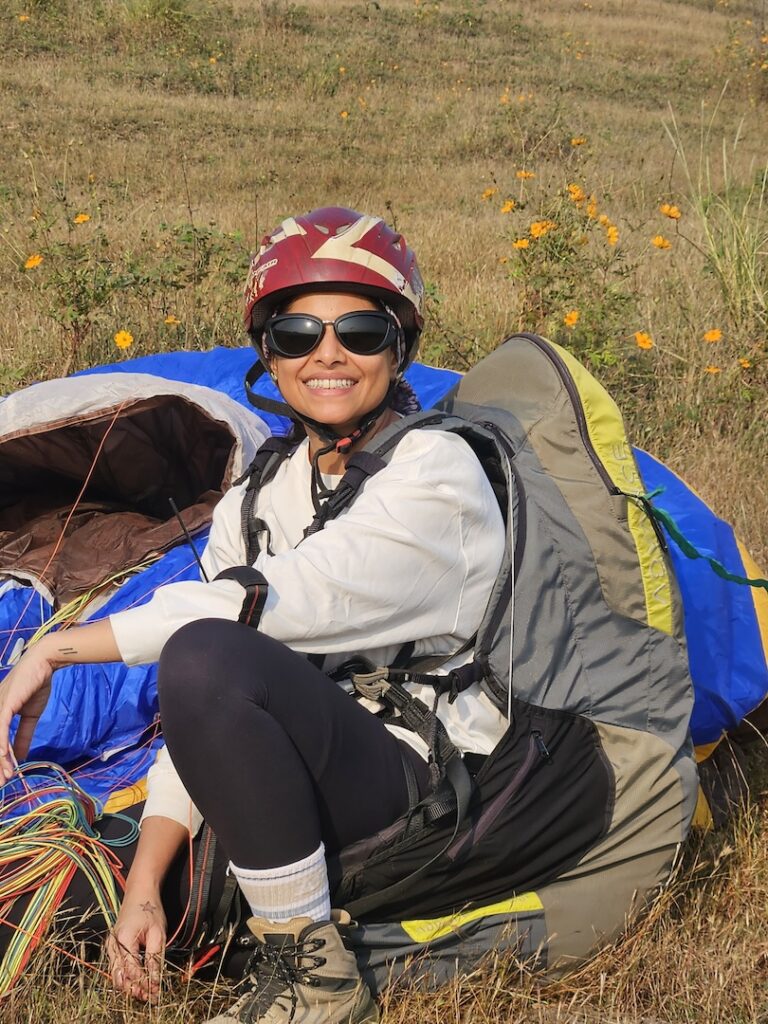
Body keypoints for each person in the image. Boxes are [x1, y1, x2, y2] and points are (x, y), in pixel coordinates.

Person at [0, 207, 507, 1023]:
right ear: (268, 352)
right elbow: (203, 714)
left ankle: (314, 977)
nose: (328, 354)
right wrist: (142, 888)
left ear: (401, 344)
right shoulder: (260, 495)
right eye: (299, 331)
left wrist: (59, 650)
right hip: (297, 766)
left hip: (418, 783)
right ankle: (254, 925)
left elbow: (273, 609)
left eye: (362, 331)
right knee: (70, 896)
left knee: (203, 647)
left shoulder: (438, 476)